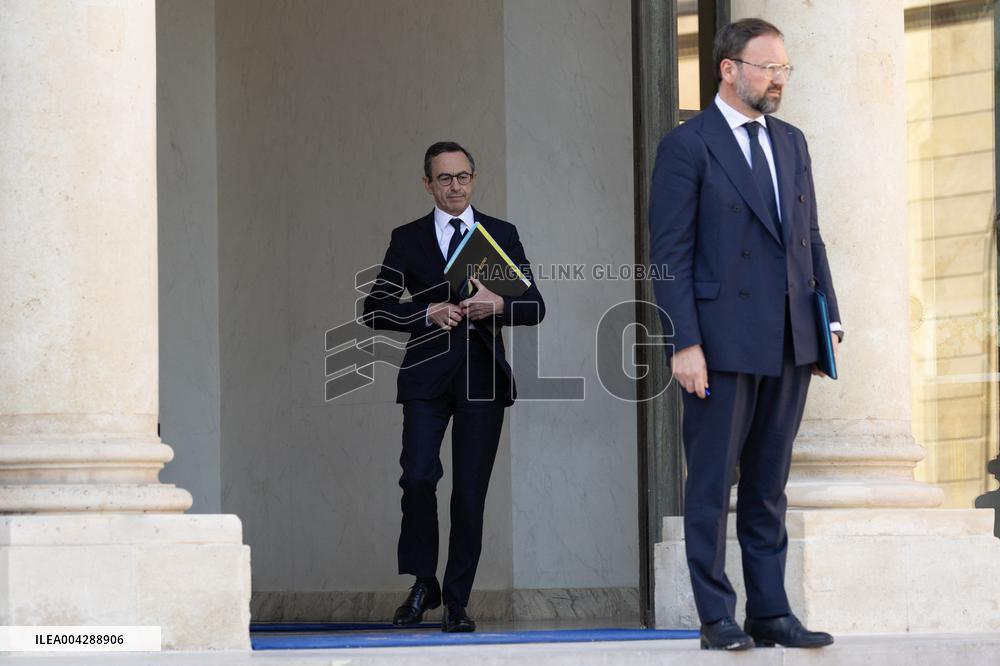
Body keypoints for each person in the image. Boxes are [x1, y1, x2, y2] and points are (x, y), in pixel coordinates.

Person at [649, 19, 843, 651]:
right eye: (767, 67)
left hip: (789, 337)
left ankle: (771, 612)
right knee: (711, 486)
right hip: (720, 342)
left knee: (768, 486)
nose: (778, 80)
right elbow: (669, 254)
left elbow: (810, 237)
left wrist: (827, 317)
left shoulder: (792, 142)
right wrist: (683, 343)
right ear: (728, 69)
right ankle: (716, 616)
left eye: (784, 68)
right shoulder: (688, 145)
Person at [362, 141, 544, 632]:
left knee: (469, 494)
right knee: (418, 477)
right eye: (444, 178)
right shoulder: (408, 238)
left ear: (474, 178)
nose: (455, 186)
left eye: (463, 176)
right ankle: (425, 582)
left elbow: (535, 305)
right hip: (426, 378)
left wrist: (499, 305)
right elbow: (374, 308)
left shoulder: (500, 234)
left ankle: (457, 600)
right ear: (428, 184)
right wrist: (426, 312)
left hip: (483, 382)